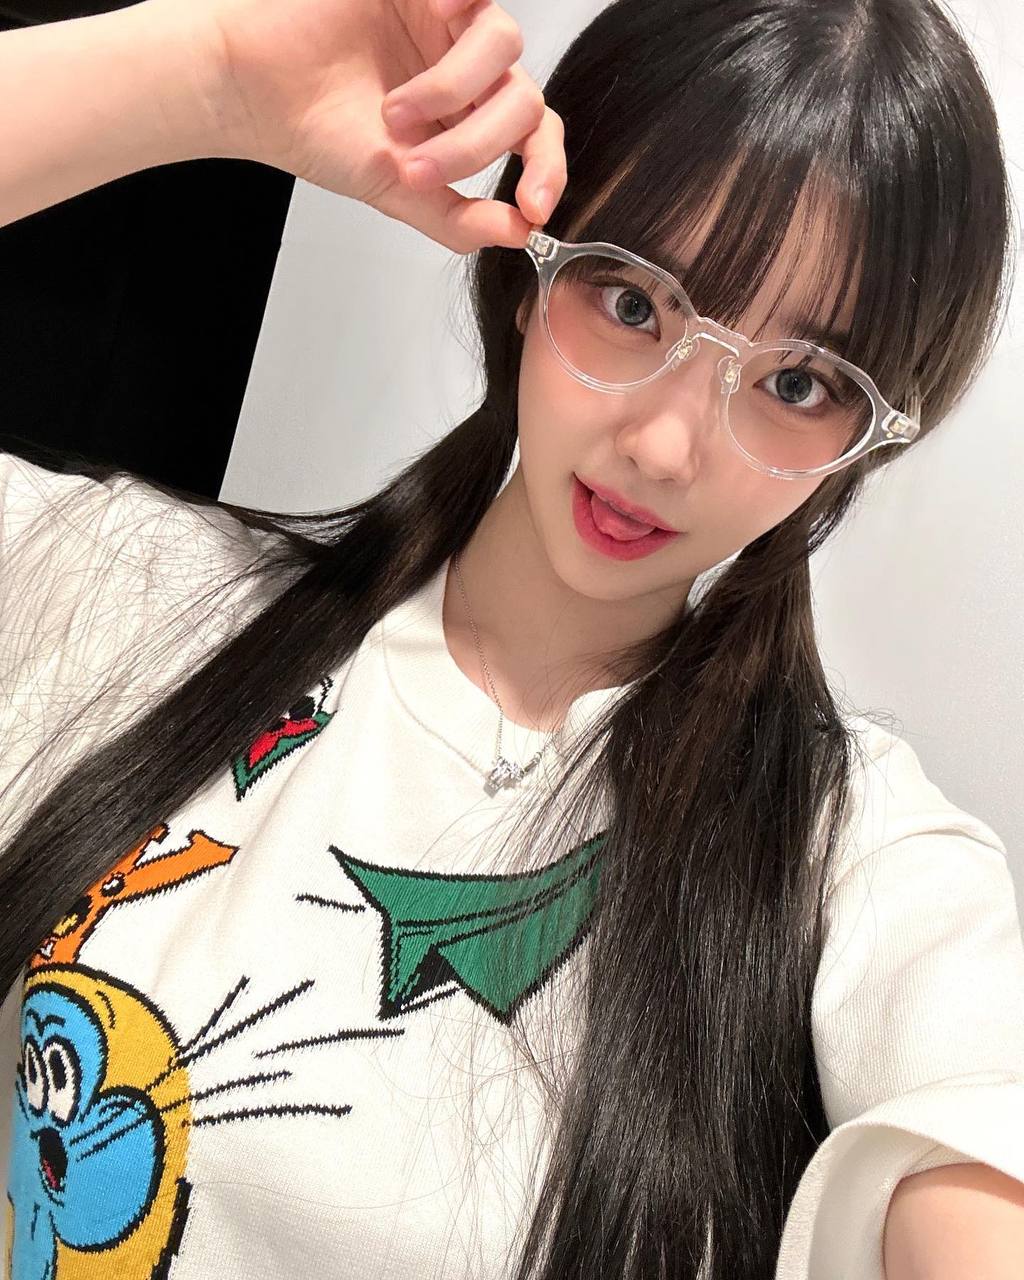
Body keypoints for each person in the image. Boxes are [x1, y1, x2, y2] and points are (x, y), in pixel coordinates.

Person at [1, 0, 1023, 1276]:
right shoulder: (139, 598)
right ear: (531, 268)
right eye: (634, 301)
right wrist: (205, 77)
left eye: (797, 383)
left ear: (864, 443)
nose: (666, 444)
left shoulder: (847, 856)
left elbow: (977, 1130)